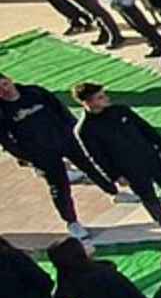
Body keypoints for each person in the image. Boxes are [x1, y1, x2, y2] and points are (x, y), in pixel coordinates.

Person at [71, 82, 161, 233]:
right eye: (101, 97)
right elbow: (97, 157)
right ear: (89, 102)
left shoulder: (121, 110)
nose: (107, 98)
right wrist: (115, 176)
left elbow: (145, 128)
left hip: (150, 156)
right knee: (148, 196)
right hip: (129, 168)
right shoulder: (85, 129)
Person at [0, 73, 115, 240]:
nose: (4, 90)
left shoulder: (34, 92)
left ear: (9, 80)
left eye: (4, 84)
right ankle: (72, 222)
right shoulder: (2, 111)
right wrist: (28, 156)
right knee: (59, 187)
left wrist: (73, 130)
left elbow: (60, 109)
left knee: (90, 166)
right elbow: (6, 140)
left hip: (66, 139)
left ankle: (112, 190)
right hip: (42, 154)